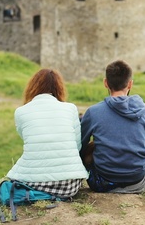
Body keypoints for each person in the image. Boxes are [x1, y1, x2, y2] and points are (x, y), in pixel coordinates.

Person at [80, 60, 145, 193]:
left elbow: (79, 146)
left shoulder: (93, 112)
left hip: (101, 183)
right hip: (139, 182)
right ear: (130, 84)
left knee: (91, 147)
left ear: (105, 83)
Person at [6, 68, 88, 199]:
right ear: (59, 88)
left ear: (32, 87)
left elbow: (27, 139)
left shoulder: (21, 112)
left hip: (33, 183)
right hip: (69, 186)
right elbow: (77, 146)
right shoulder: (70, 108)